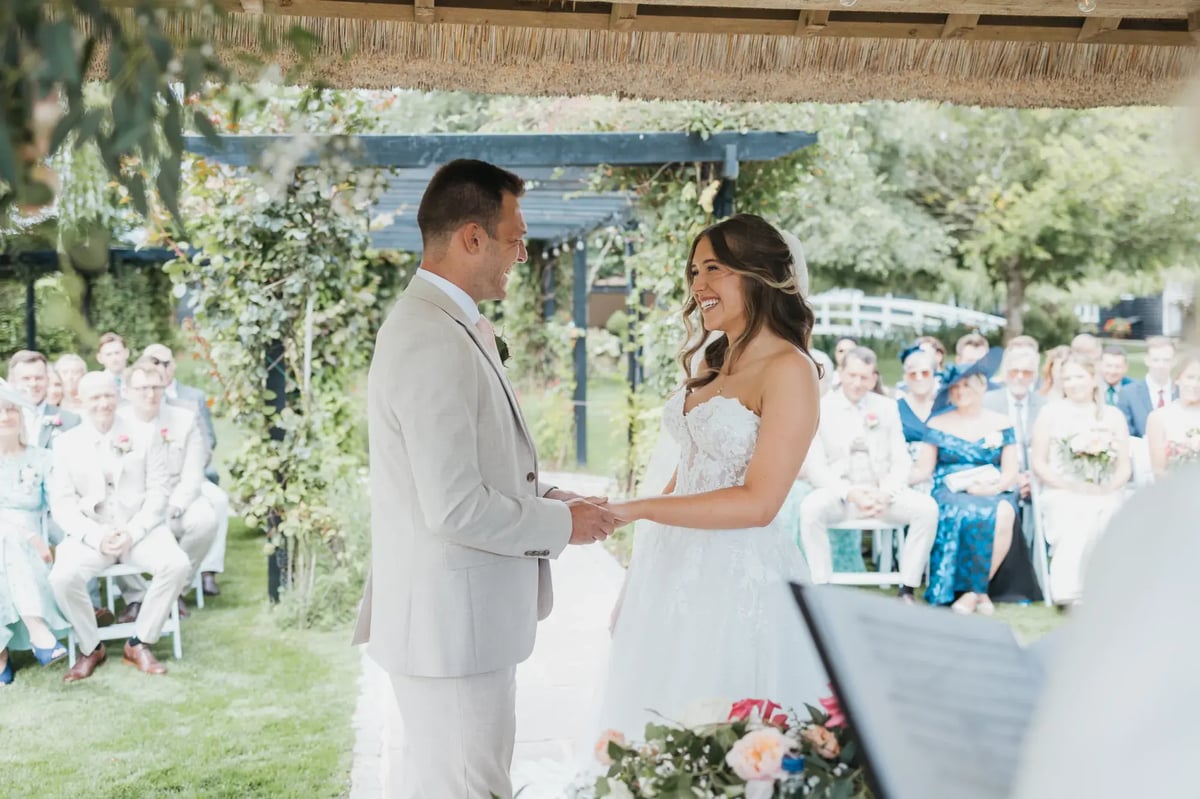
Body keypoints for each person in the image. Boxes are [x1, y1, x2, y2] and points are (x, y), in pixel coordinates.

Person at [351, 160, 617, 799]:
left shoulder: (448, 325)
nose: (521, 255)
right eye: (515, 238)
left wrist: (550, 496)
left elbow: (467, 472)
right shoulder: (429, 338)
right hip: (449, 630)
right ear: (473, 237)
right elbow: (454, 507)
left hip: (457, 625)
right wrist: (562, 524)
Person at [595, 213, 829, 741]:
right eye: (694, 270)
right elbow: (689, 478)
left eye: (714, 269)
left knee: (722, 732)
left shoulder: (788, 371)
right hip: (673, 570)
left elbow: (759, 503)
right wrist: (638, 580)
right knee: (657, 731)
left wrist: (635, 508)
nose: (697, 285)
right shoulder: (715, 360)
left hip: (737, 579)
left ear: (759, 274)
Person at [47, 372, 192, 681]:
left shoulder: (144, 433)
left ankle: (139, 642)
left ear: (118, 396)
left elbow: (159, 491)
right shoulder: (66, 444)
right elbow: (62, 504)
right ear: (81, 401)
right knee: (62, 576)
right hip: (91, 534)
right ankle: (91, 646)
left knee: (177, 564)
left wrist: (134, 531)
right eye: (95, 397)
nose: (103, 403)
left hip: (139, 531)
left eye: (108, 395)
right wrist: (96, 536)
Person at [799, 346, 937, 601]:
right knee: (810, 509)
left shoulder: (887, 407)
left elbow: (901, 461)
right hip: (840, 496)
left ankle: (907, 588)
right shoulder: (821, 407)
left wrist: (885, 493)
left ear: (874, 378)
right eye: (852, 375)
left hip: (881, 495)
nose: (857, 383)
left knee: (927, 509)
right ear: (841, 373)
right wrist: (851, 494)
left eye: (864, 377)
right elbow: (816, 468)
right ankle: (823, 585)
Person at [909, 350, 1021, 614]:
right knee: (961, 511)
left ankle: (975, 591)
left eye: (966, 386)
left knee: (1004, 512)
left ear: (981, 388)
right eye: (955, 387)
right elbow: (924, 469)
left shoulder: (1001, 422)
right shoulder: (938, 422)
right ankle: (973, 593)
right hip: (950, 488)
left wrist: (991, 488)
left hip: (992, 487)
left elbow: (1010, 472)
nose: (960, 392)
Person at [116, 358, 218, 619]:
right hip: (134, 503)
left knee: (205, 519)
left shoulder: (184, 419)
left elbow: (194, 472)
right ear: (127, 392)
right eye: (143, 389)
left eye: (156, 387)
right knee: (115, 527)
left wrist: (178, 503)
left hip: (175, 498)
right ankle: (137, 597)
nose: (151, 394)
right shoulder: (118, 422)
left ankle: (176, 591)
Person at [1031, 354, 1132, 607]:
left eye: (1079, 377)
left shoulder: (1112, 415)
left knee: (1109, 508)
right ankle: (1068, 591)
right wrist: (1069, 486)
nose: (1073, 383)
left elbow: (1124, 466)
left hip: (1103, 488)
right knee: (1079, 510)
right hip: (1062, 488)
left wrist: (1108, 487)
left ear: (1093, 379)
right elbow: (1039, 462)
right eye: (1067, 378)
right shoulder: (1050, 413)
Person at [0, 380, 71, 684]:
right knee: (10, 538)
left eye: (10, 409)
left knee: (10, 544)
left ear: (20, 415)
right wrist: (28, 535)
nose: (5, 416)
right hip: (24, 538)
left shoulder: (42, 458)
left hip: (34, 537)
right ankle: (38, 631)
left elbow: (60, 504)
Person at [7, 350, 81, 451]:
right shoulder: (3, 420)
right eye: (26, 378)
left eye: (38, 378)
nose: (33, 384)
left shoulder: (70, 421)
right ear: (12, 382)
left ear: (47, 379)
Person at [1145, 350, 1200, 478]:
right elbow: (1158, 470)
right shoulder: (1159, 417)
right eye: (1190, 377)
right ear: (1178, 379)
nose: (1195, 385)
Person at [1116, 336, 1179, 438]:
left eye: (1166, 360)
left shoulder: (1182, 392)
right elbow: (1124, 433)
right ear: (1146, 360)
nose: (1161, 365)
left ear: (1174, 361)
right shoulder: (1128, 393)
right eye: (1155, 360)